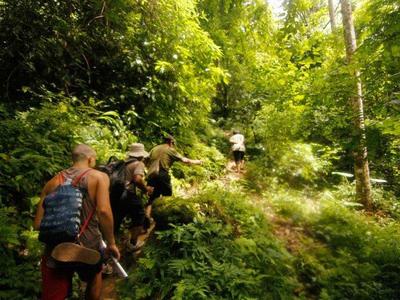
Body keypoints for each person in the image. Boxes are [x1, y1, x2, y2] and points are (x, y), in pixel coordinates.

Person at [34, 144, 120, 300]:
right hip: (87, 243)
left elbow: (38, 224)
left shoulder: (52, 182)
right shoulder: (99, 177)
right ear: (90, 159)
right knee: (95, 275)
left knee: (55, 292)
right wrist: (111, 243)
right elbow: (104, 211)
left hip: (56, 247)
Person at [145, 135, 202, 223]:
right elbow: (184, 160)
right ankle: (166, 220)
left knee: (152, 198)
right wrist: (197, 162)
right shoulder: (170, 150)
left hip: (151, 175)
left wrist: (149, 168)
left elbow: (146, 159)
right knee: (168, 198)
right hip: (162, 174)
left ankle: (147, 218)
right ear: (171, 142)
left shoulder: (154, 148)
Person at [111, 143, 153, 251]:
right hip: (128, 194)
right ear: (141, 155)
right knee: (140, 216)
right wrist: (146, 189)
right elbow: (137, 179)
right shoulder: (139, 163)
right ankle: (133, 244)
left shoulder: (123, 163)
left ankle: (109, 244)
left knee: (117, 218)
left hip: (116, 194)